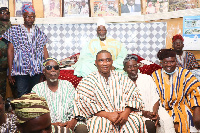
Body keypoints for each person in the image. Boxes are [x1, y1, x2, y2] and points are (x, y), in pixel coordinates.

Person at [74, 50, 145, 132]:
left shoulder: (122, 78)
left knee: (133, 120)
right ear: (96, 63)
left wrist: (126, 112)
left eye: (108, 60)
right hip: (100, 117)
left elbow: (135, 97)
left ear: (112, 62)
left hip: (124, 115)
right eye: (101, 60)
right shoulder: (87, 81)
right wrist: (107, 115)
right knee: (99, 123)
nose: (105, 63)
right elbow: (83, 104)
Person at [3, 4, 49, 98]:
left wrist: (47, 66)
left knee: (35, 95)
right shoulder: (14, 30)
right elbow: (10, 51)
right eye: (28, 16)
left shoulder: (38, 32)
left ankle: (33, 113)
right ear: (23, 16)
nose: (30, 19)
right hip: (20, 71)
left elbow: (44, 50)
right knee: (22, 95)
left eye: (32, 17)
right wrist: (10, 71)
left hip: (36, 71)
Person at [32, 57, 88, 133]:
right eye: (49, 68)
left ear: (59, 71)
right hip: (47, 125)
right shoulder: (37, 89)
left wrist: (73, 120)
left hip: (69, 123)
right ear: (44, 72)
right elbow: (34, 113)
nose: (53, 70)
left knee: (82, 129)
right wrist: (49, 125)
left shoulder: (68, 85)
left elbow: (77, 105)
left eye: (56, 67)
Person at [123, 54, 175, 133]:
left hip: (152, 109)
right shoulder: (122, 82)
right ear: (124, 69)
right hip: (133, 113)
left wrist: (154, 113)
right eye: (129, 67)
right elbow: (125, 105)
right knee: (145, 125)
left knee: (166, 120)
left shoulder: (147, 78)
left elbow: (155, 98)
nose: (133, 69)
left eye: (135, 66)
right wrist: (144, 113)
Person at [152, 49, 200, 133]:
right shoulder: (155, 75)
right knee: (166, 125)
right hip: (162, 109)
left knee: (185, 124)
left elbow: (195, 92)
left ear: (176, 61)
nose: (169, 65)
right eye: (166, 62)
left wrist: (197, 111)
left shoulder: (185, 74)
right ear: (161, 63)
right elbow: (152, 96)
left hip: (182, 106)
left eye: (172, 62)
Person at [0, 7, 11, 99]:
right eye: (2, 12)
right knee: (1, 84)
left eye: (7, 13)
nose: (5, 14)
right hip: (1, 61)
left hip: (13, 61)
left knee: (15, 85)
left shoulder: (14, 27)